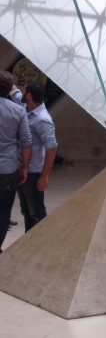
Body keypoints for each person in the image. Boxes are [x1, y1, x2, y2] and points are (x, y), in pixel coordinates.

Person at [10, 81, 58, 232]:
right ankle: (28, 242)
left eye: (25, 92)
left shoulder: (42, 119)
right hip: (22, 169)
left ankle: (41, 246)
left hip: (33, 173)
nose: (22, 94)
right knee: (26, 211)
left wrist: (44, 177)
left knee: (37, 212)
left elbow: (52, 147)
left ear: (29, 96)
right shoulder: (25, 107)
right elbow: (13, 90)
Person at [0, 71, 32, 253]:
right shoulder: (18, 110)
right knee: (3, 211)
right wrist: (25, 167)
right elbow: (27, 142)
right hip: (8, 169)